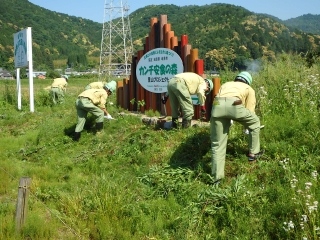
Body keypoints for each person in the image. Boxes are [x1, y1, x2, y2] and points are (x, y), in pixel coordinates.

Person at [210, 71, 263, 183]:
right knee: (255, 122)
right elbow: (250, 110)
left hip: (217, 106)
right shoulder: (248, 88)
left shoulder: (226, 84)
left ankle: (216, 178)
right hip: (235, 105)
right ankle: (253, 153)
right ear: (248, 81)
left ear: (236, 78)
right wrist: (246, 128)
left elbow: (220, 99)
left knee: (217, 144)